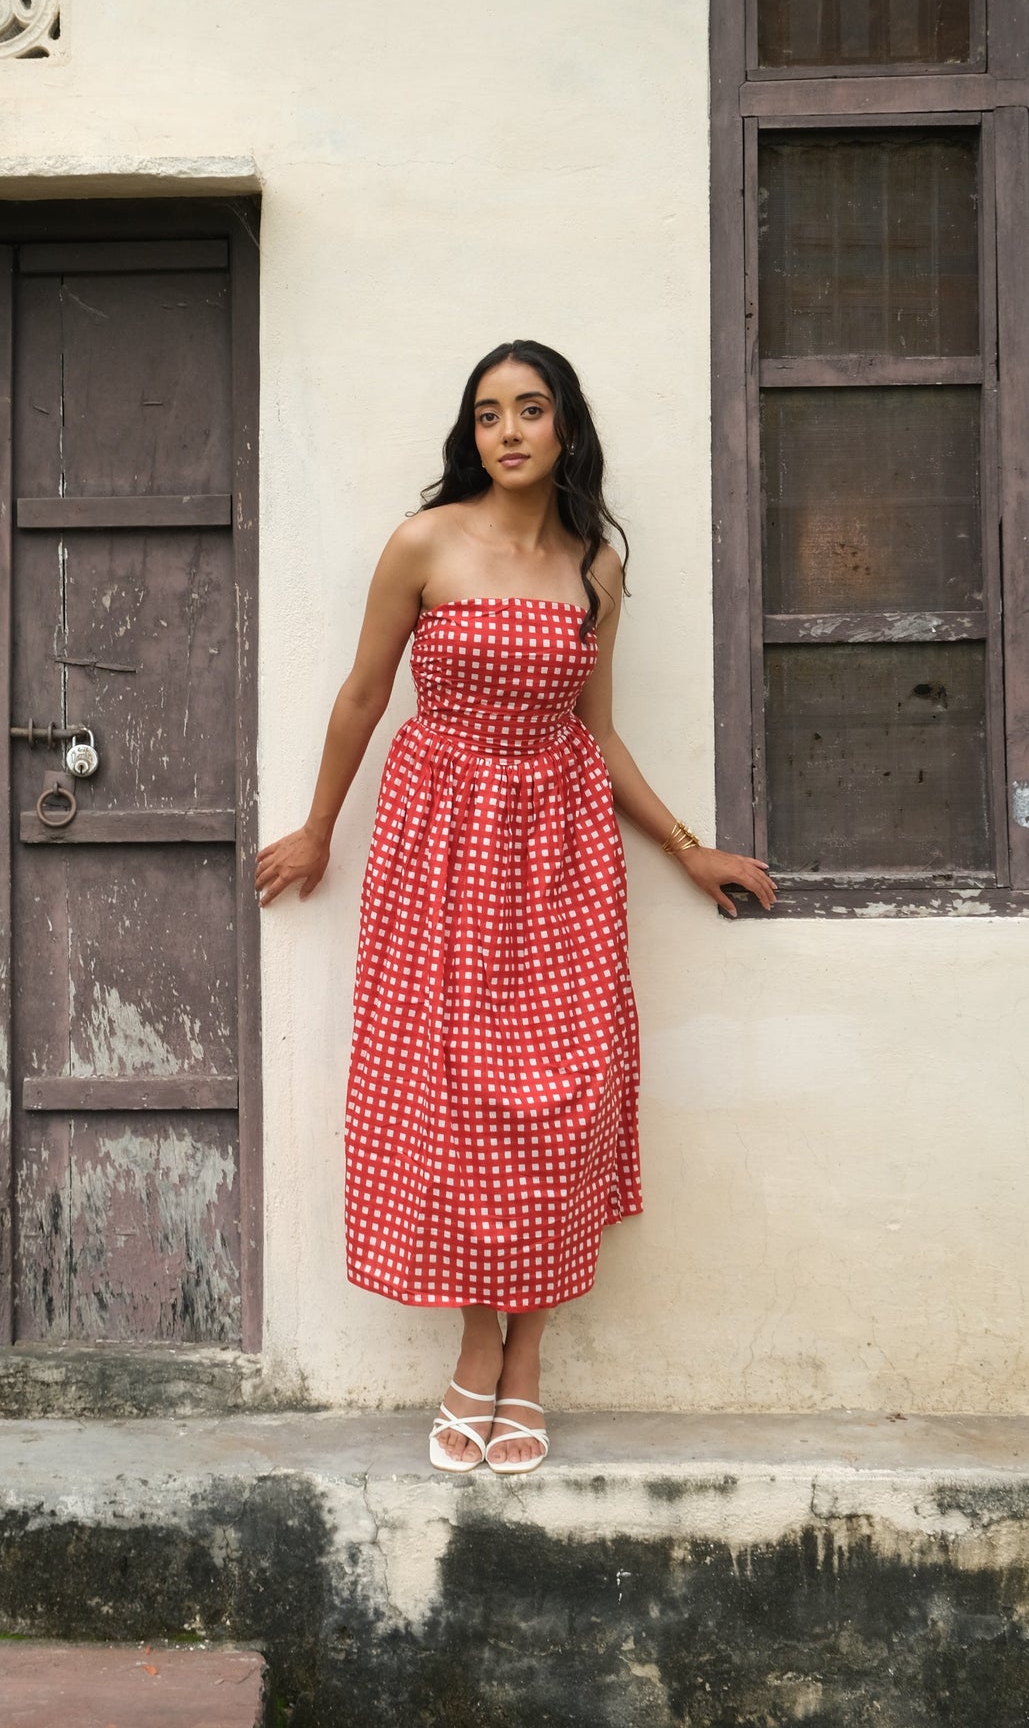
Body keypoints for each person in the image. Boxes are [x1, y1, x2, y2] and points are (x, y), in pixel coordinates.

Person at [256, 340, 775, 1475]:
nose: (507, 431)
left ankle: (526, 1354)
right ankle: (474, 1343)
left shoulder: (595, 567)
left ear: (563, 426)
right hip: (438, 842)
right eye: (488, 414)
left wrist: (686, 847)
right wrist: (317, 825)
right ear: (471, 434)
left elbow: (598, 730)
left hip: (559, 846)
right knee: (449, 1098)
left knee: (565, 1094)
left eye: (529, 409)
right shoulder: (423, 542)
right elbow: (362, 694)